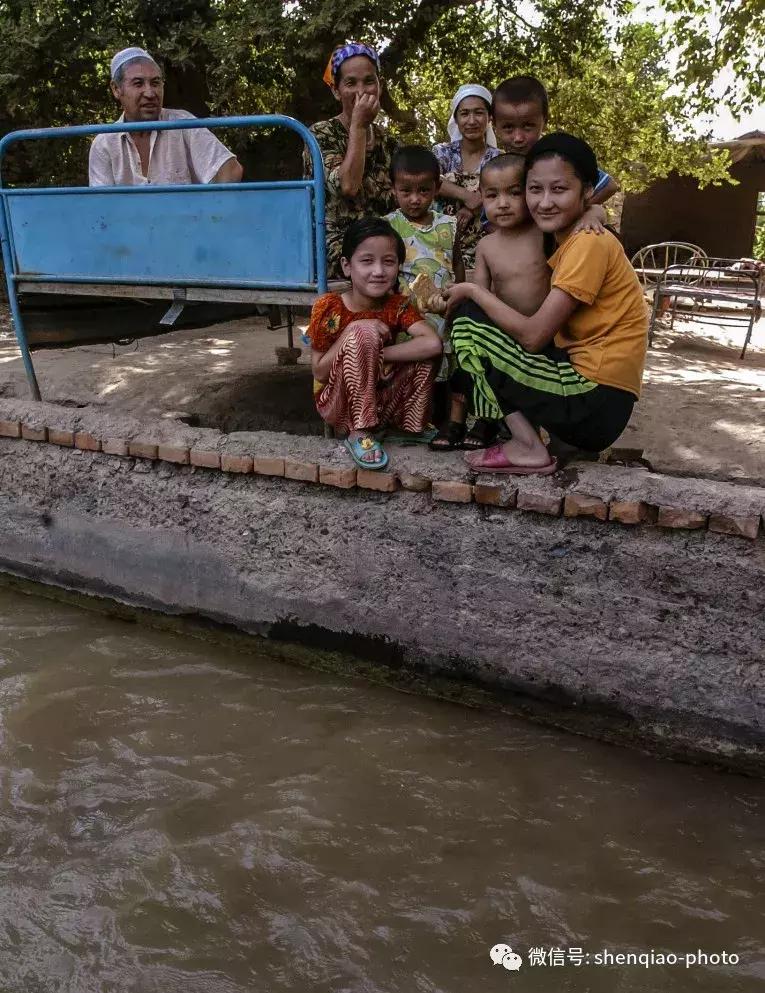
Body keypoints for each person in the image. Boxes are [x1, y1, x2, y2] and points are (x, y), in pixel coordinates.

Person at [443, 132, 648, 475]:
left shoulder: (587, 244)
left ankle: (527, 445)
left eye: (560, 190)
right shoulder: (563, 237)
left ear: (585, 190)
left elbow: (534, 337)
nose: (545, 202)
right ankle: (524, 437)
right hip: (593, 389)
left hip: (595, 397)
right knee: (481, 326)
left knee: (468, 325)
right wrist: (593, 211)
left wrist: (472, 291)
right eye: (535, 190)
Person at [430, 152, 550, 450]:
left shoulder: (545, 234)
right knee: (466, 336)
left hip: (539, 333)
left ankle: (488, 421)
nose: (503, 203)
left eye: (514, 193)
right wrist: (449, 307)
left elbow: (593, 210)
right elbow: (479, 297)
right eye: (492, 195)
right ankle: (465, 421)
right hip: (499, 331)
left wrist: (593, 215)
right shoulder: (486, 245)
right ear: (481, 197)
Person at [308, 217, 442, 469]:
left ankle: (406, 427)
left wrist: (380, 353)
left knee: (425, 355)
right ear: (347, 266)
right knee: (362, 331)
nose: (379, 271)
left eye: (388, 262)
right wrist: (353, 333)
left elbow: (432, 343)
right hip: (338, 402)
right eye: (367, 261)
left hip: (382, 398)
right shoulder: (329, 306)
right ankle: (359, 431)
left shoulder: (397, 305)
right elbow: (319, 371)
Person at [304, 43, 397, 279]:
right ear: (336, 91)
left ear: (380, 85)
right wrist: (358, 126)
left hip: (384, 241)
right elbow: (348, 186)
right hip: (338, 245)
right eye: (350, 83)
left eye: (369, 81)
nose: (361, 91)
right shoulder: (320, 134)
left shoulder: (390, 142)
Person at [89, 47, 243, 186]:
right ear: (116, 89)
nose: (150, 93)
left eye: (155, 83)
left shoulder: (182, 125)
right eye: (138, 83)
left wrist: (205, 213)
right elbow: (102, 207)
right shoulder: (104, 144)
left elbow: (231, 170)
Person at [384, 145, 464, 379]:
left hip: (443, 311)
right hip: (406, 317)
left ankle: (443, 414)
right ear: (393, 189)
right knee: (408, 375)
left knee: (442, 371)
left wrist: (456, 296)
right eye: (406, 191)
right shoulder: (388, 226)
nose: (415, 199)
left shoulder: (449, 224)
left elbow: (457, 262)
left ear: (437, 188)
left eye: (424, 191)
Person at [491, 75, 619, 206]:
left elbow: (608, 186)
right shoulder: (494, 165)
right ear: (494, 125)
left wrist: (581, 213)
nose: (518, 138)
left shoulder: (554, 156)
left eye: (528, 126)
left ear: (544, 121)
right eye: (508, 127)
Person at [432, 84, 500, 268]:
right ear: (456, 118)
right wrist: (468, 196)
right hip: (441, 242)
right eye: (464, 114)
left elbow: (502, 192)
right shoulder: (442, 153)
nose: (471, 121)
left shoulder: (498, 158)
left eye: (478, 113)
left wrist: (473, 208)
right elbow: (430, 180)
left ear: (489, 117)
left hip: (486, 243)